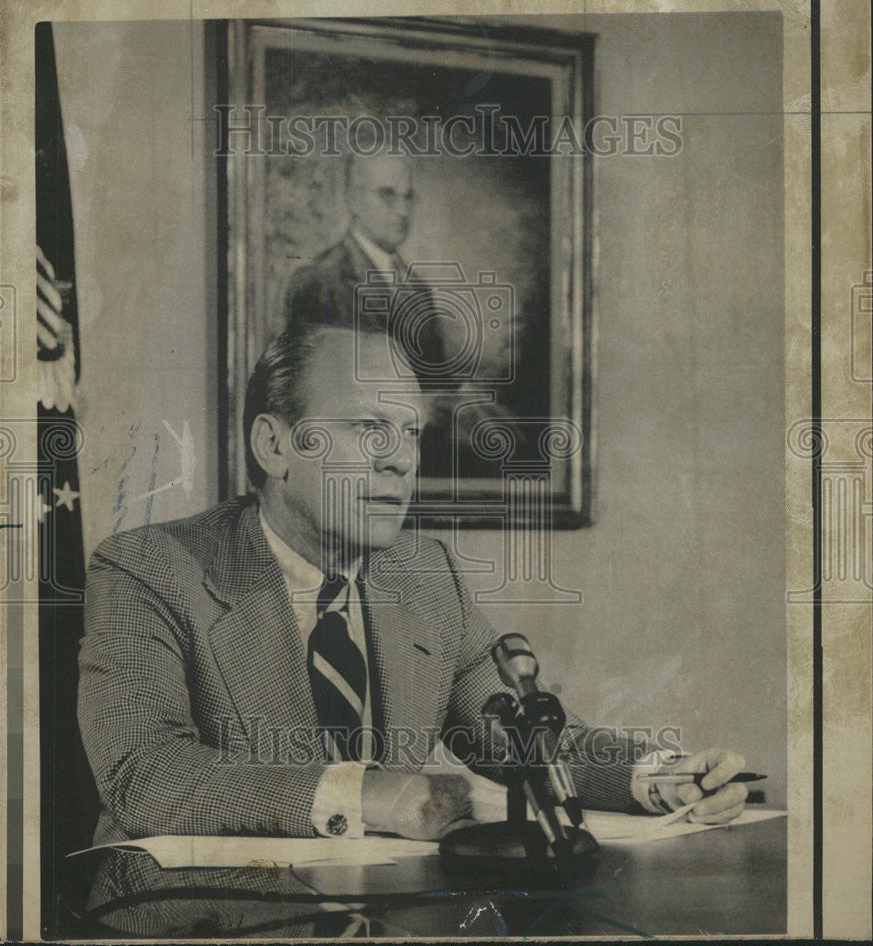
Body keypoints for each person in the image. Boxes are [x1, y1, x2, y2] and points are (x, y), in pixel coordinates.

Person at [79, 322, 748, 866]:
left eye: (410, 432)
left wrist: (660, 777)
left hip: (382, 913)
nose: (400, 459)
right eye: (369, 428)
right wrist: (368, 794)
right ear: (274, 446)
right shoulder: (149, 568)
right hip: (193, 920)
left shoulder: (422, 572)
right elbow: (145, 774)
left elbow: (523, 738)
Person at [285, 151, 446, 383]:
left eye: (408, 197)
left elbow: (438, 383)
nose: (403, 211)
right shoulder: (319, 281)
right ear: (353, 200)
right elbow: (306, 387)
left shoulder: (420, 292)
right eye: (387, 195)